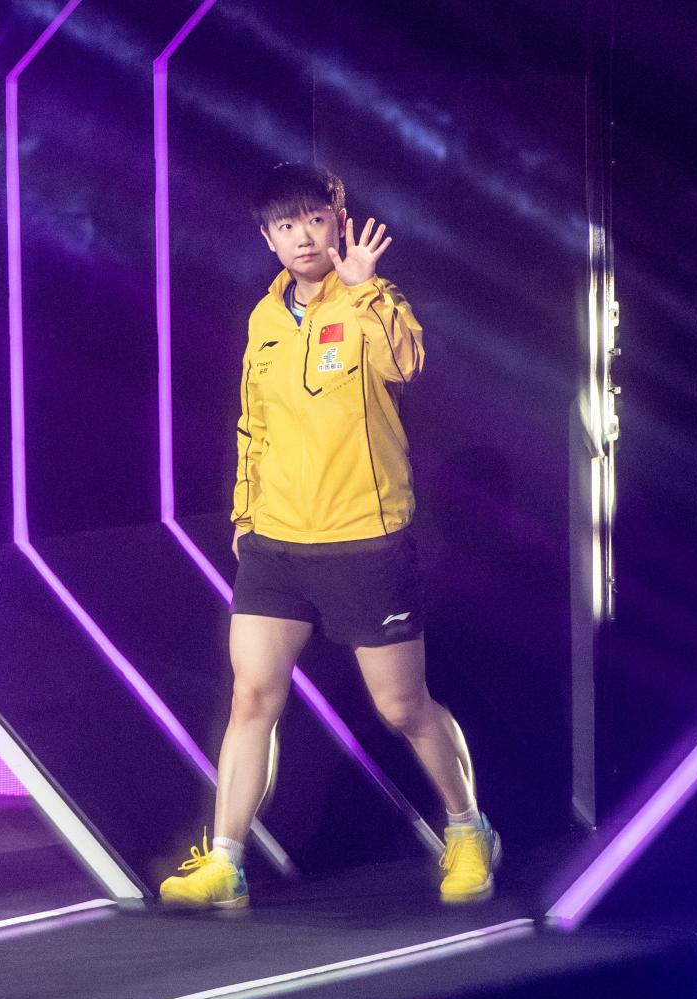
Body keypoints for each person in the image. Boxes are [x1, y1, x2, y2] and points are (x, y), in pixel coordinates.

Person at [159, 163, 500, 910]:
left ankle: (469, 829)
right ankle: (226, 862)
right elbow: (253, 425)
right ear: (268, 238)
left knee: (402, 708)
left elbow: (408, 364)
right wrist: (245, 517)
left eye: (314, 219)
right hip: (276, 544)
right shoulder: (264, 318)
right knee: (252, 698)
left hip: (363, 539)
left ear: (338, 220)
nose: (302, 237)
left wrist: (366, 288)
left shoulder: (371, 296)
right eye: (285, 226)